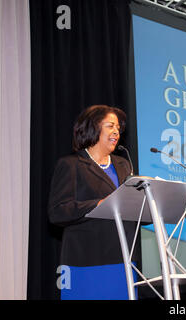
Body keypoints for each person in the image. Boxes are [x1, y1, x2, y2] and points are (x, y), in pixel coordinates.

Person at [48, 105, 141, 300]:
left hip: (123, 259)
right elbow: (58, 211)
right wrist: (98, 204)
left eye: (118, 128)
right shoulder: (71, 165)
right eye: (110, 126)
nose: (116, 131)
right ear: (93, 128)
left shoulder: (123, 165)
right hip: (86, 260)